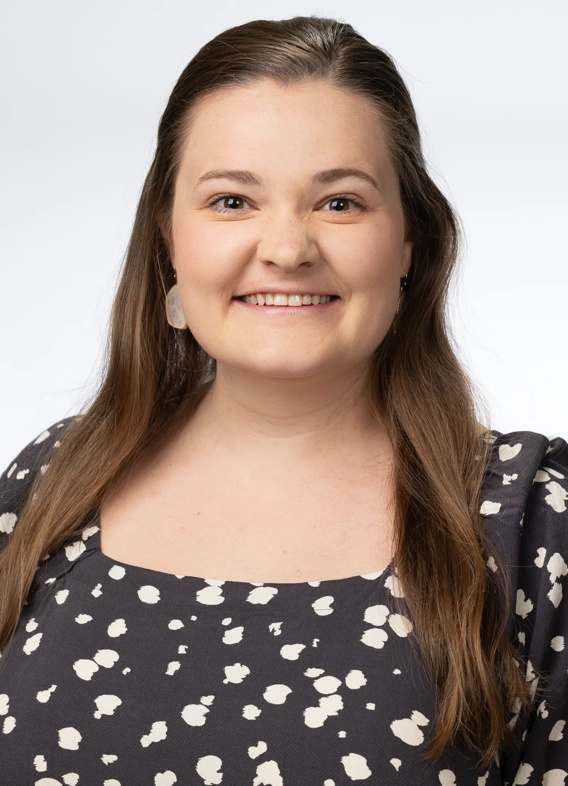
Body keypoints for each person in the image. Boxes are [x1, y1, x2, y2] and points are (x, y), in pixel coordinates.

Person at [0, 15, 566, 785]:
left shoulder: (530, 518)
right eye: (232, 201)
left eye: (340, 203)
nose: (288, 248)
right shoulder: (51, 483)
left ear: (408, 243)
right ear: (169, 237)